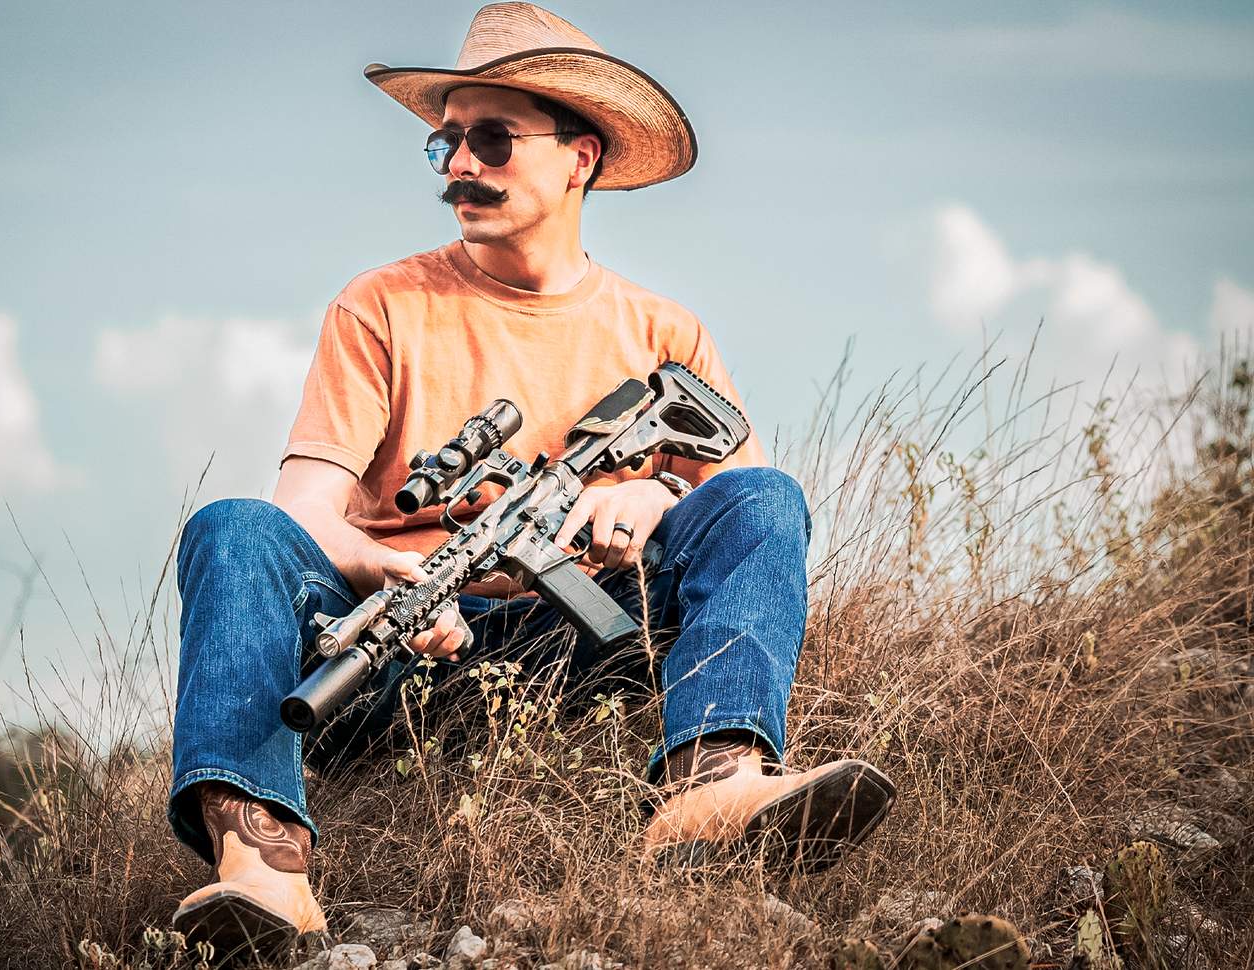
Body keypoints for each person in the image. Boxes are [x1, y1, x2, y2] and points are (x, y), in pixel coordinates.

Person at [166, 1, 895, 952]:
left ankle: (712, 787)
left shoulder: (662, 333)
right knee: (232, 527)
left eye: (492, 139)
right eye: (447, 144)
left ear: (579, 158)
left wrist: (652, 493)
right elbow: (302, 512)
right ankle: (263, 867)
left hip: (579, 652)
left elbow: (747, 517)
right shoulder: (382, 305)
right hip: (397, 658)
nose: (461, 164)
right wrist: (386, 575)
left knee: (767, 497)